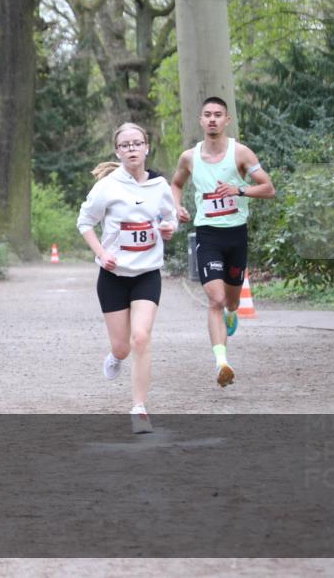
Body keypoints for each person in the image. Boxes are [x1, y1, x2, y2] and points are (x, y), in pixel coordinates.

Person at [77, 123, 177, 433]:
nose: (132, 149)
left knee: (141, 337)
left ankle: (139, 408)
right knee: (123, 347)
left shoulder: (159, 186)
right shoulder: (107, 186)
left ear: (147, 147)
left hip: (147, 273)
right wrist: (101, 253)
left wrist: (169, 229)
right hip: (113, 276)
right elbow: (84, 222)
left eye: (137, 143)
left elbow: (170, 218)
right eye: (125, 145)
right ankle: (115, 356)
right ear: (117, 151)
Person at [170, 96, 275, 388]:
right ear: (201, 120)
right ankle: (222, 363)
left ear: (227, 120)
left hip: (236, 234)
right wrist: (177, 207)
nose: (213, 119)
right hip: (208, 234)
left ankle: (232, 311)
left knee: (231, 300)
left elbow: (268, 188)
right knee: (215, 299)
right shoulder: (189, 157)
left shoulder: (241, 153)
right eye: (207, 114)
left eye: (218, 114)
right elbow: (176, 183)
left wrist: (238, 190)